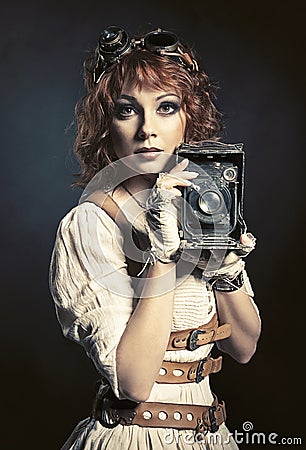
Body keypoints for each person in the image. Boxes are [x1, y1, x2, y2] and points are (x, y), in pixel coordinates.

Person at [49, 26, 261, 450]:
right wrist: (163, 258)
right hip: (134, 437)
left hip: (210, 438)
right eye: (127, 110)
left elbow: (243, 347)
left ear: (188, 119)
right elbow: (134, 382)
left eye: (166, 107)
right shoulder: (89, 224)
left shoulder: (204, 208)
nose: (148, 128)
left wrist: (226, 269)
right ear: (105, 124)